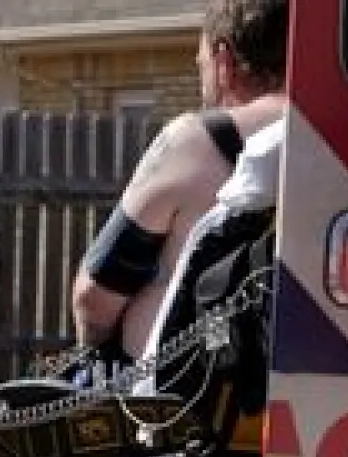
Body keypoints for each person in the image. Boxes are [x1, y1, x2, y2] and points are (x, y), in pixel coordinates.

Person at [71, 0, 289, 368]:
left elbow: (95, 300)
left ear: (224, 61)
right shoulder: (340, 141)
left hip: (182, 402)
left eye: (199, 64)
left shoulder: (195, 142)